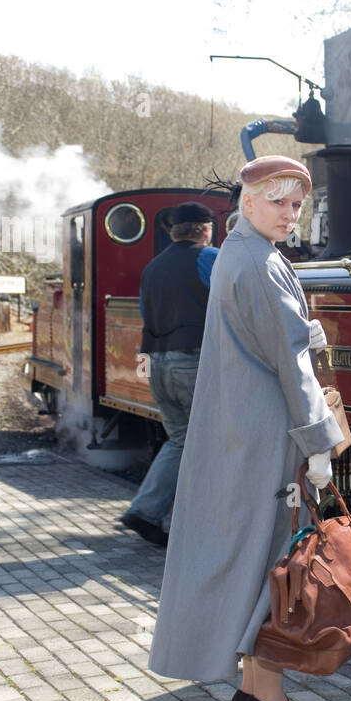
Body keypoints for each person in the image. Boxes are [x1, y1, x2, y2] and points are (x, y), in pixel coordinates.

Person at [147, 156, 342, 701]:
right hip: (270, 442)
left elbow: (270, 343)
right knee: (278, 571)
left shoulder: (236, 252)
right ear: (249, 200)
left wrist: (299, 334)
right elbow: (292, 367)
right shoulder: (260, 262)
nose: (290, 214)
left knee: (266, 571)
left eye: (297, 205)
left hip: (246, 434)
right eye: (278, 202)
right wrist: (319, 446)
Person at [120, 202, 220, 547]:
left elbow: (147, 314)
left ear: (173, 232)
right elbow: (232, 303)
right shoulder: (209, 258)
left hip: (158, 364)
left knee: (180, 441)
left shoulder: (151, 269)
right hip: (191, 362)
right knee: (205, 442)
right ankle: (163, 514)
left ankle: (155, 513)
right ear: (206, 229)